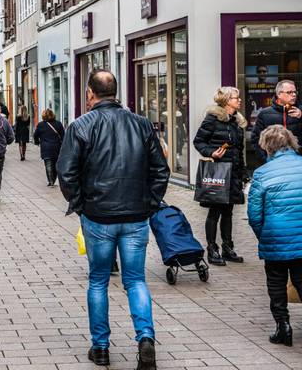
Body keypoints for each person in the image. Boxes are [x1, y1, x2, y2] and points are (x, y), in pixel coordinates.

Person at [57, 70, 169, 370]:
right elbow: (161, 169)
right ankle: (145, 338)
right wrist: (149, 203)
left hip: (98, 215)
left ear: (89, 94)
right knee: (135, 280)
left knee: (98, 281)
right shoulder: (142, 124)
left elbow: (66, 172)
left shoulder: (81, 126)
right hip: (135, 216)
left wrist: (81, 205)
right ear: (115, 92)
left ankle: (101, 346)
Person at [248, 125, 302, 347]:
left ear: (266, 147)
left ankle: (283, 327)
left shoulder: (261, 174)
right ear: (290, 142)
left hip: (275, 237)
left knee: (277, 283)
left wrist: (265, 235)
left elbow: (254, 215)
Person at [193, 87, 247, 266]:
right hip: (217, 172)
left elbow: (239, 150)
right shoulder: (213, 119)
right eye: (235, 98)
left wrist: (243, 171)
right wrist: (211, 153)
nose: (239, 100)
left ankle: (227, 247)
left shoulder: (237, 122)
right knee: (214, 211)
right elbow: (198, 141)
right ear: (226, 101)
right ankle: (211, 248)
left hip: (233, 173)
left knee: (229, 212)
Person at [251, 80, 302, 164]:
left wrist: (301, 116)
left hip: (298, 161)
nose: (294, 95)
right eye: (289, 92)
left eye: (295, 92)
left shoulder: (300, 110)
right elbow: (256, 139)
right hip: (273, 161)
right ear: (279, 94)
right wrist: (265, 160)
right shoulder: (265, 114)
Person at [32, 109, 64, 186]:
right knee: (56, 164)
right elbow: (63, 136)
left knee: (48, 164)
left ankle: (51, 181)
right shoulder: (58, 124)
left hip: (45, 147)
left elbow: (35, 135)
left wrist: (37, 142)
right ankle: (53, 179)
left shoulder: (40, 125)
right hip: (57, 147)